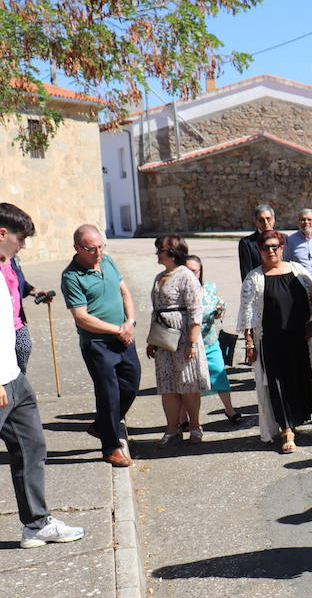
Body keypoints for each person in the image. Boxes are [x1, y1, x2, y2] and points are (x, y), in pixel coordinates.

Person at [0, 204, 84, 548]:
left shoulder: (7, 266)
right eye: (20, 238)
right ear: (2, 233)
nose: (23, 245)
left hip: (14, 376)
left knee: (31, 444)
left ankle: (36, 524)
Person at [239, 229, 312, 453]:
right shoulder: (254, 278)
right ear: (259, 250)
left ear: (282, 248)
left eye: (275, 247)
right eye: (265, 247)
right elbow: (247, 314)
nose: (271, 251)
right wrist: (250, 343)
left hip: (299, 338)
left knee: (298, 381)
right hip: (270, 341)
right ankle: (286, 429)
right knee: (277, 384)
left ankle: (296, 421)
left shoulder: (298, 270)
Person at [61, 224, 139, 467]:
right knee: (108, 394)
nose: (98, 253)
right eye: (91, 249)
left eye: (100, 247)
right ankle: (111, 447)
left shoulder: (108, 262)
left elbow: (125, 293)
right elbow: (81, 317)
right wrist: (118, 330)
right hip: (97, 344)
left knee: (131, 383)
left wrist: (130, 322)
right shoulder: (71, 276)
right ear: (77, 248)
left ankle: (101, 425)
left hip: (123, 336)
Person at [145, 234, 211, 445]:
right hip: (164, 337)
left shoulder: (186, 276)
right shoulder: (159, 276)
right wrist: (152, 339)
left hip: (183, 337)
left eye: (160, 249)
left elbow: (195, 311)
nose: (157, 252)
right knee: (168, 385)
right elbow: (156, 310)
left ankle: (194, 426)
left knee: (188, 383)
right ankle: (172, 428)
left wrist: (192, 342)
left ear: (173, 253)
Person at [185, 255, 241, 424]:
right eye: (187, 270)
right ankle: (184, 419)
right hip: (188, 344)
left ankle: (230, 410)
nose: (190, 274)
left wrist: (219, 310)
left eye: (194, 271)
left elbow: (220, 305)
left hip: (209, 341)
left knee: (219, 373)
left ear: (200, 271)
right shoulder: (178, 292)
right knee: (187, 382)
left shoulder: (209, 288)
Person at [238, 204, 275, 281]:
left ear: (274, 219)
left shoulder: (284, 239)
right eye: (261, 220)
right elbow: (246, 272)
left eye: (268, 219)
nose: (266, 223)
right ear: (256, 222)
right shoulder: (247, 243)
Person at [285, 208, 312, 274]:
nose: (306, 222)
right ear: (298, 222)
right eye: (303, 220)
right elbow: (287, 262)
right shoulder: (290, 240)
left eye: (309, 219)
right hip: (301, 279)